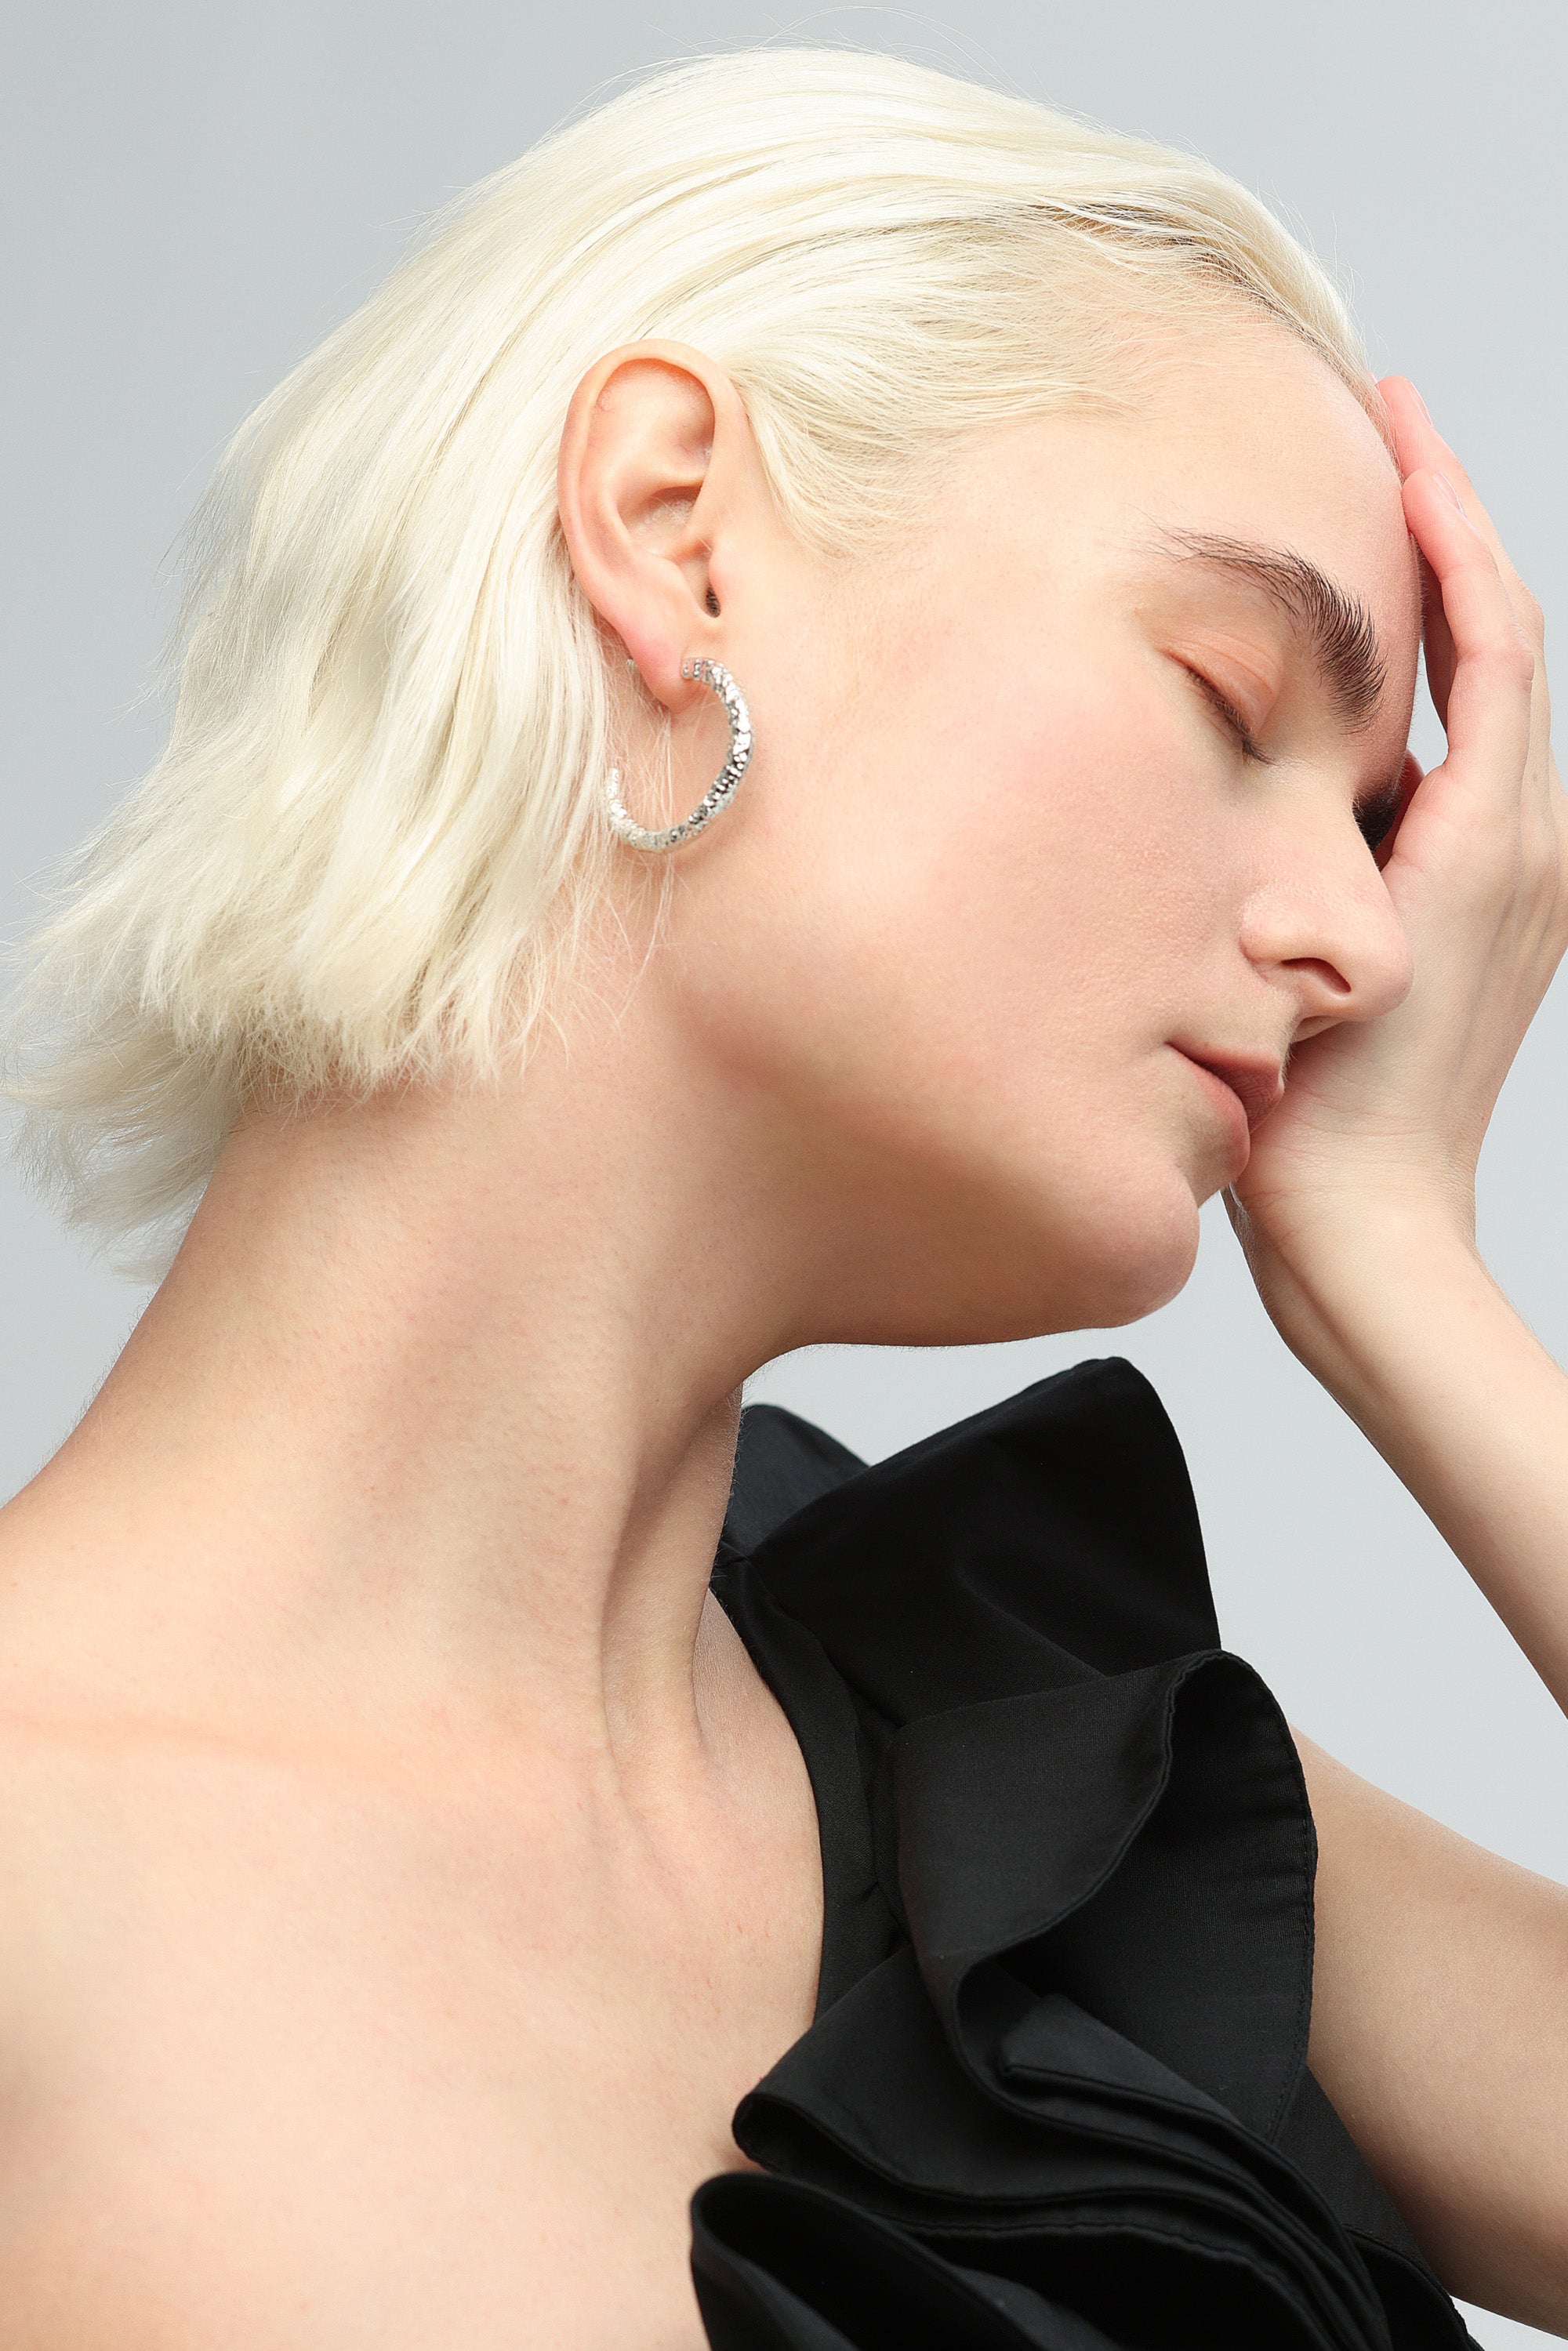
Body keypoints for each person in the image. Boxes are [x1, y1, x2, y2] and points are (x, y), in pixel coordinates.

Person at [1, 45, 1564, 2351]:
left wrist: (1409, 1276)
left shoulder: (1038, 1799)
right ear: (675, 533)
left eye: (1369, 825)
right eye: (1234, 704)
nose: (1371, 945)